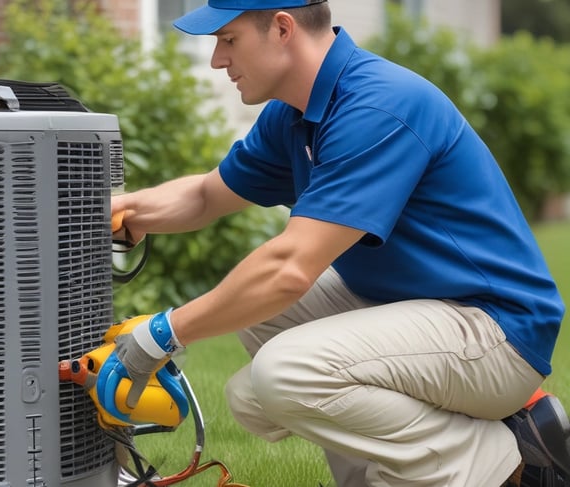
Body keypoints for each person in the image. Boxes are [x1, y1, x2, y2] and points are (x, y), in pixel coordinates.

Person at [101, 1, 570, 485]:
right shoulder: (294, 115)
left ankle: (504, 461)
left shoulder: (377, 105)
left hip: (495, 332)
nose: (218, 60)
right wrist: (118, 211)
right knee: (253, 378)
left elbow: (289, 269)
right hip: (423, 310)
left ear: (282, 28)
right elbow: (204, 195)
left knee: (284, 372)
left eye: (228, 40)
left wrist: (164, 333)